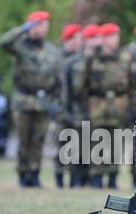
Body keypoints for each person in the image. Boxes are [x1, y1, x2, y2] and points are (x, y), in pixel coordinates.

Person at [0, 11, 62, 188]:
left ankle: (34, 175)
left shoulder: (51, 50)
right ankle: (22, 174)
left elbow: (58, 79)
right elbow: (3, 43)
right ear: (31, 27)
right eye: (39, 26)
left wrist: (56, 100)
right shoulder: (19, 46)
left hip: (43, 101)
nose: (43, 30)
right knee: (24, 140)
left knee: (38, 140)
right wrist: (22, 30)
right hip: (23, 100)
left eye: (45, 27)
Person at [83, 23, 133, 189]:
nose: (115, 40)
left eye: (116, 36)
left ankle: (112, 176)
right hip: (98, 104)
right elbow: (84, 84)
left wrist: (129, 106)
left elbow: (132, 84)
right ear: (103, 39)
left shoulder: (125, 58)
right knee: (98, 141)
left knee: (116, 142)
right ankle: (97, 176)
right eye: (111, 36)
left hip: (118, 104)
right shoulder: (92, 59)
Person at [55, 23, 82, 188]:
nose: (79, 42)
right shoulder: (58, 58)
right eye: (76, 38)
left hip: (76, 108)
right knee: (61, 145)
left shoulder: (80, 59)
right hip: (59, 107)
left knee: (77, 145)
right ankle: (59, 179)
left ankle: (75, 179)